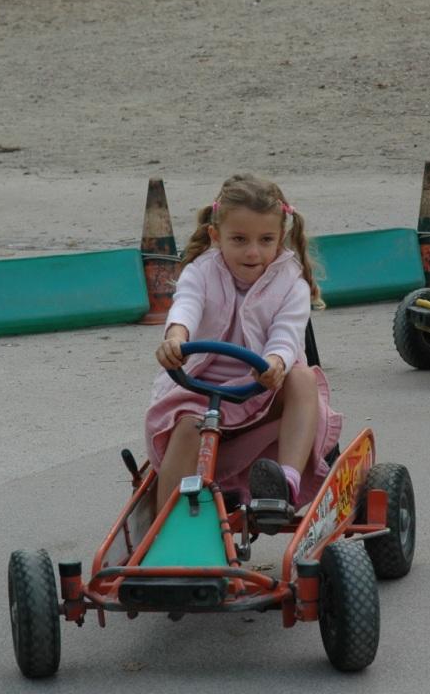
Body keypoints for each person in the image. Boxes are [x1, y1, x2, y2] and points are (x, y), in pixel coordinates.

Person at [145, 173, 341, 512]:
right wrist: (177, 336)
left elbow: (287, 331)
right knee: (188, 428)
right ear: (215, 236)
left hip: (262, 391)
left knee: (302, 377)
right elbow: (187, 304)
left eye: (266, 240)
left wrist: (277, 362)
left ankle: (285, 483)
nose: (253, 252)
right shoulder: (201, 271)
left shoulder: (290, 282)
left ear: (281, 239)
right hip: (200, 393)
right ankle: (168, 527)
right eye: (239, 240)